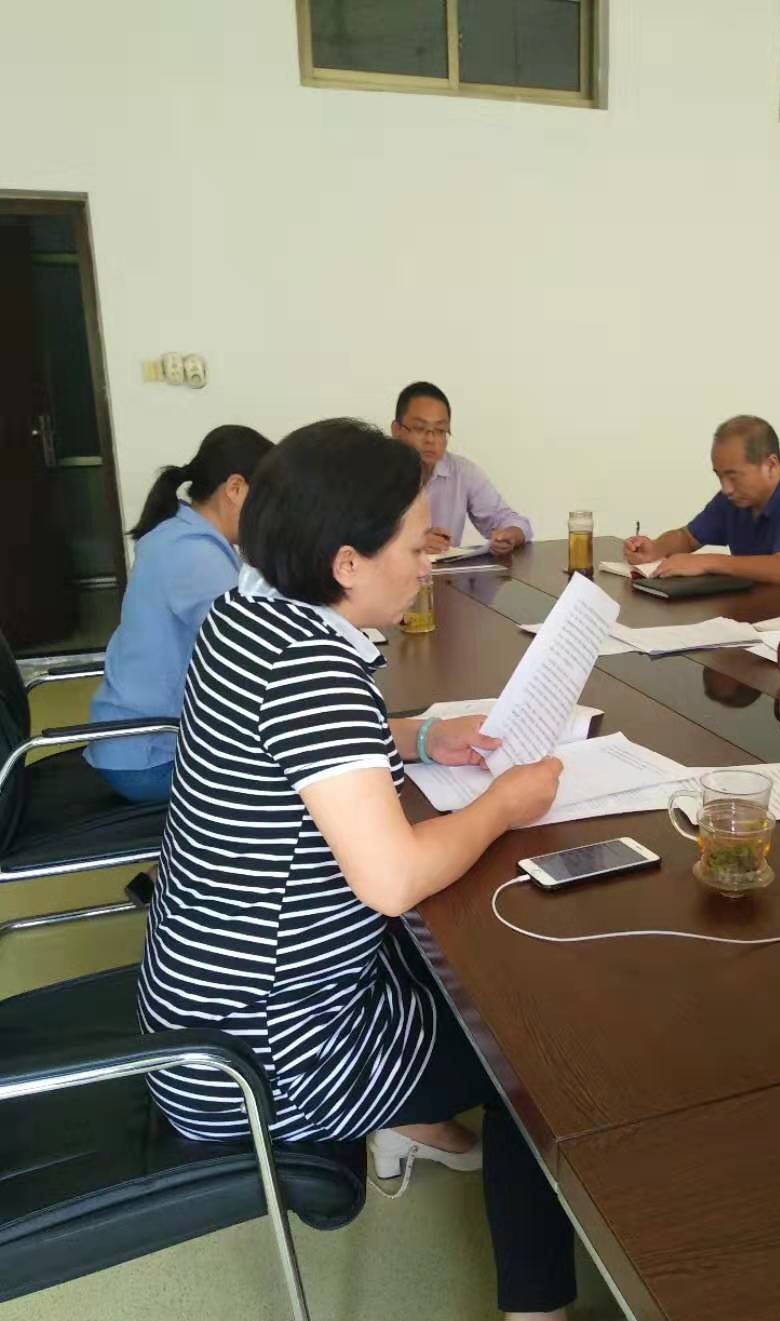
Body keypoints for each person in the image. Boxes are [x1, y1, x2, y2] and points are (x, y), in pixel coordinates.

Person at [137, 419, 576, 1321]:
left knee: (454, 959)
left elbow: (301, 747)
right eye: (415, 547)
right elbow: (392, 878)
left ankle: (410, 1122)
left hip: (198, 1006)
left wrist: (421, 736)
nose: (426, 564)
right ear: (346, 563)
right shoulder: (313, 670)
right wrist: (502, 803)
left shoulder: (249, 613)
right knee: (535, 1053)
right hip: (262, 1056)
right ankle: (537, 1308)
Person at [86, 425, 273, 803]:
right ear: (235, 488)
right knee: (295, 778)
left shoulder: (181, 533)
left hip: (134, 740)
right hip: (152, 756)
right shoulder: (192, 553)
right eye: (268, 501)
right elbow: (254, 651)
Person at [622, 415, 780, 588]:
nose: (726, 488)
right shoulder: (734, 500)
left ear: (770, 465)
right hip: (762, 609)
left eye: (733, 476)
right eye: (719, 476)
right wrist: (656, 549)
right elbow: (687, 537)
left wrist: (706, 562)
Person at [390, 381, 532, 556]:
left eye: (440, 430)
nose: (431, 439)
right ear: (396, 430)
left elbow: (511, 521)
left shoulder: (462, 472)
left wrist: (510, 535)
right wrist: (412, 542)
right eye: (420, 428)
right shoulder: (372, 472)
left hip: (446, 572)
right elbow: (360, 539)